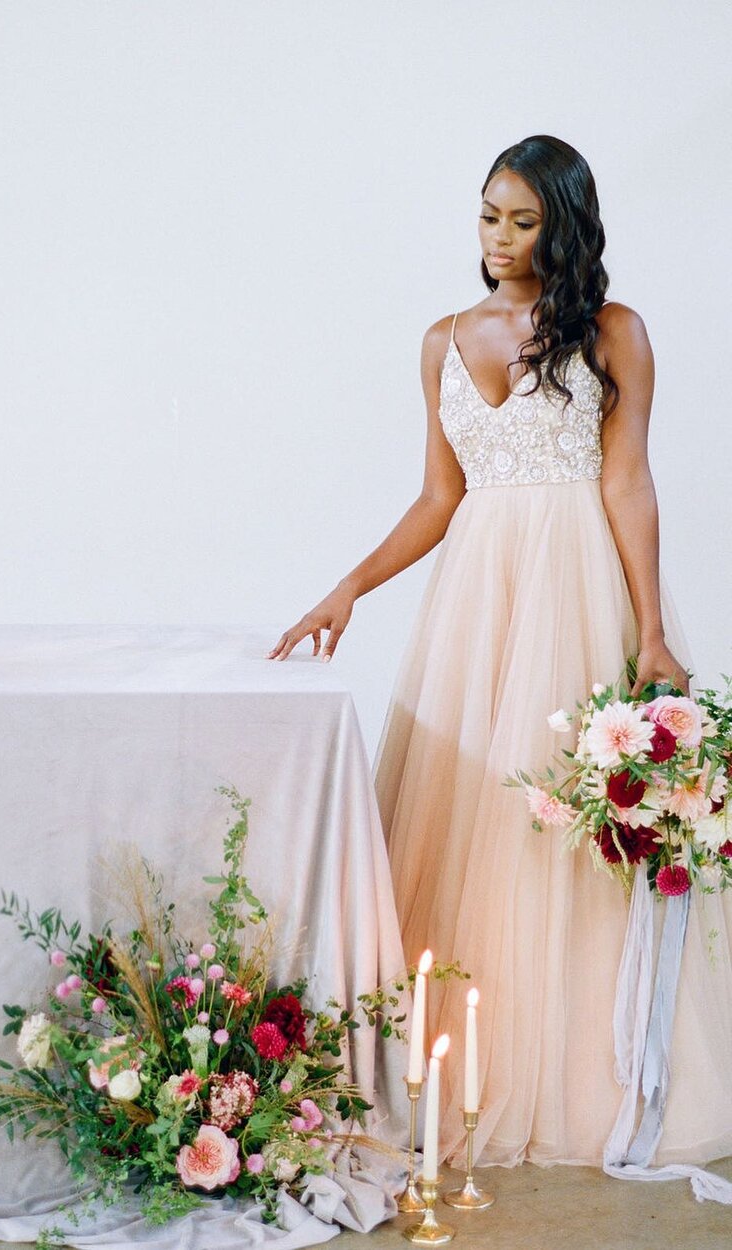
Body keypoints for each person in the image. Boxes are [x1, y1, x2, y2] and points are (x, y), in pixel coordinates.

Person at [268, 136, 732, 1171]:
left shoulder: (613, 332)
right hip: (478, 596)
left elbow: (628, 483)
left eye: (522, 220)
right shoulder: (440, 338)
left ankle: (582, 1072)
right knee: (470, 812)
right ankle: (458, 1058)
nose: (500, 238)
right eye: (488, 215)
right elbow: (441, 498)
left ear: (563, 224)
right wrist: (347, 585)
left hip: (575, 586)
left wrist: (651, 630)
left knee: (563, 822)